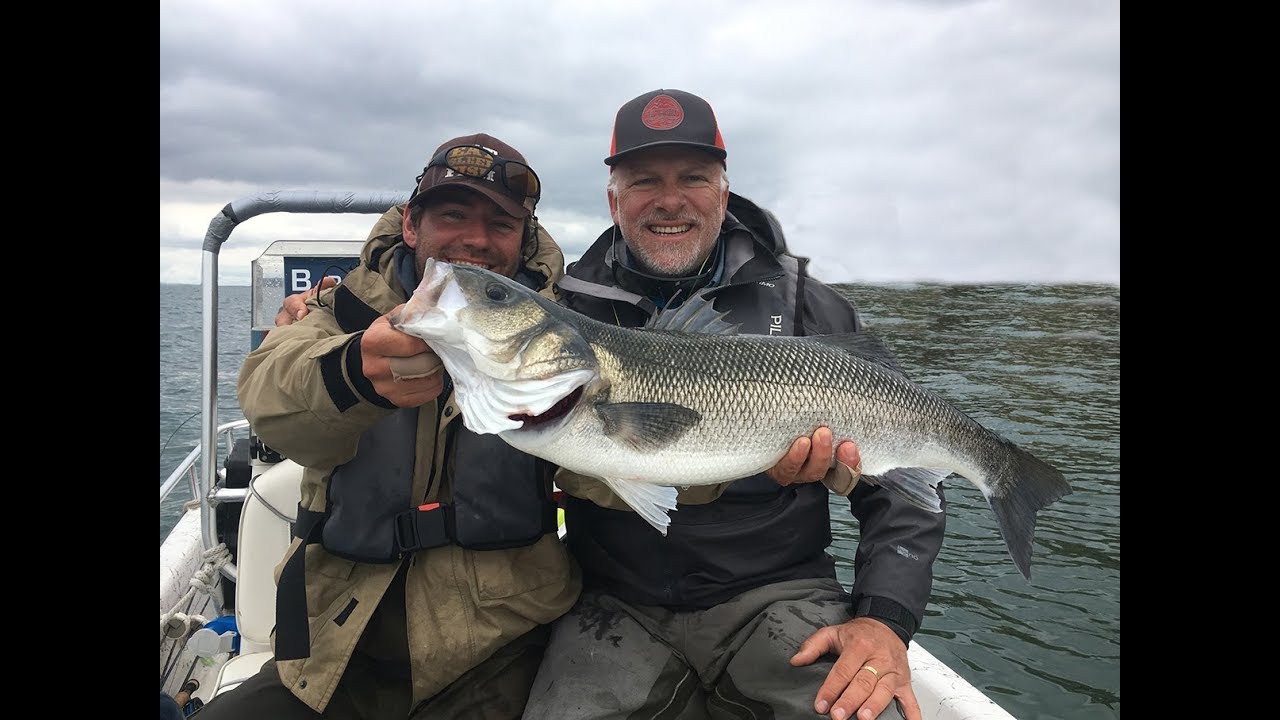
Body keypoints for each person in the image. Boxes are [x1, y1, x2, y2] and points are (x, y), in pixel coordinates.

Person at [519, 90, 946, 720]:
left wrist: (885, 616)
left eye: (693, 177)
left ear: (724, 191)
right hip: (613, 602)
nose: (670, 200)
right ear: (613, 200)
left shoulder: (810, 308)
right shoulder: (566, 311)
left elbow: (905, 489)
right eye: (644, 181)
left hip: (781, 593)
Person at [196, 133, 581, 720]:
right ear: (410, 226)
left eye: (500, 223)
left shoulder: (563, 335)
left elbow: (619, 479)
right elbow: (267, 388)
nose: (475, 239)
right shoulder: (338, 309)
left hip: (503, 657)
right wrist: (352, 371)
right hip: (332, 657)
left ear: (524, 240)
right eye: (453, 214)